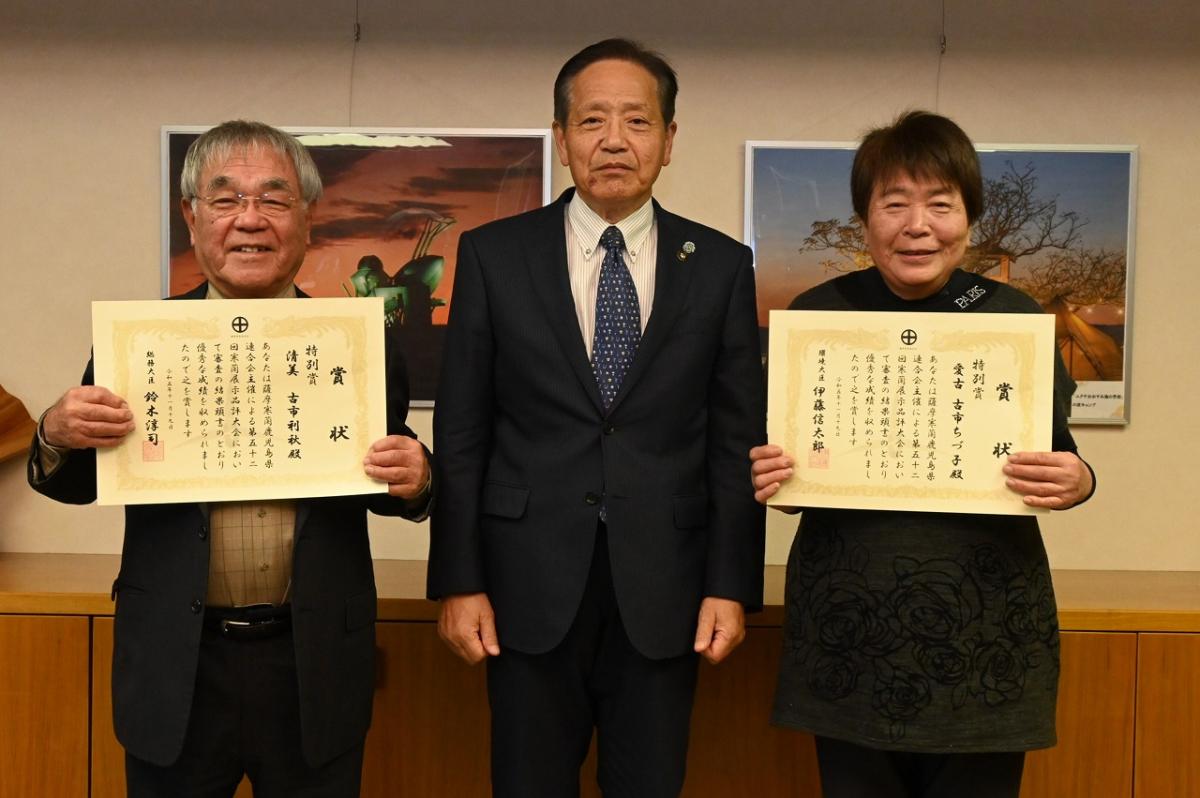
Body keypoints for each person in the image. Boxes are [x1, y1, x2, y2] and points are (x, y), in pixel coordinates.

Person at [28, 120, 432, 798]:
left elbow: (376, 474)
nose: (250, 220)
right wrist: (56, 431)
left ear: (308, 219)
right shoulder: (139, 344)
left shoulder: (357, 344)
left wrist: (418, 479)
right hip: (177, 664)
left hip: (311, 662)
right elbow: (79, 481)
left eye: (274, 200)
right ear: (192, 219)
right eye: (225, 199)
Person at [428, 38, 766, 798]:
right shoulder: (492, 256)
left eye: (637, 122)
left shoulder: (716, 265)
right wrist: (459, 580)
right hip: (523, 589)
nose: (614, 140)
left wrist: (729, 585)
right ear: (562, 139)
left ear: (669, 140)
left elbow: (733, 438)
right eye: (592, 121)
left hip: (668, 592)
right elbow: (462, 433)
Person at [750, 110, 1096, 798]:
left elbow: (1062, 454)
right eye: (895, 203)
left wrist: (1079, 479)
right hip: (851, 624)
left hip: (985, 627)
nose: (918, 225)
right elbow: (783, 461)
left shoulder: (1013, 316)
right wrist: (767, 474)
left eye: (940, 204)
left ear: (968, 218)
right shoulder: (819, 316)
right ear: (865, 217)